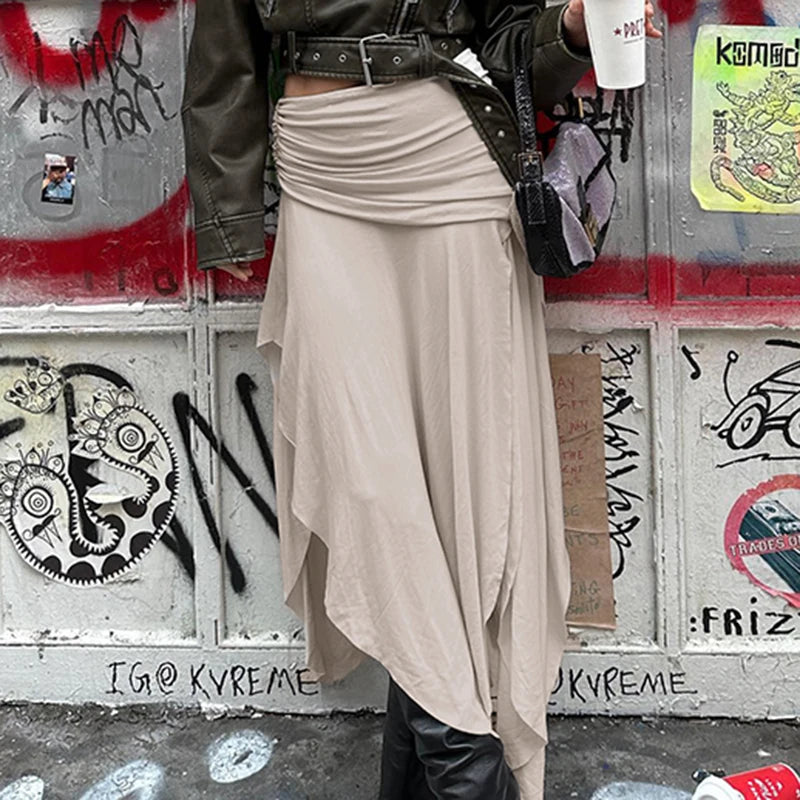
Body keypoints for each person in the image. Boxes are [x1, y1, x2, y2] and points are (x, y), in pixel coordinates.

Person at [182, 2, 661, 797]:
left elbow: (507, 41)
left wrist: (573, 31)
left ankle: (445, 774)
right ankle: (470, 771)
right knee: (372, 492)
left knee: (456, 500)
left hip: (451, 170)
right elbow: (222, 52)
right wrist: (229, 214)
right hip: (325, 171)